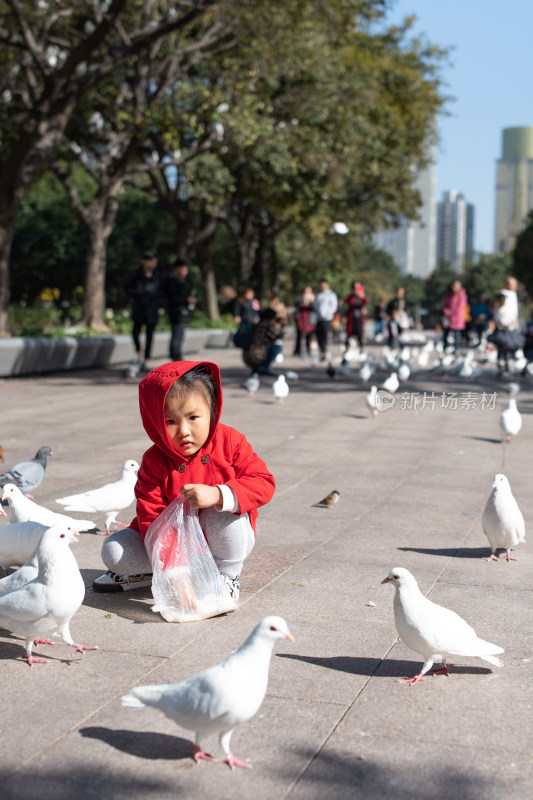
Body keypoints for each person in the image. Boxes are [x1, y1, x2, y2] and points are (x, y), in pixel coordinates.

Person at [93, 361, 275, 602]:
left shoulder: (230, 440)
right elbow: (152, 516)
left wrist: (219, 495)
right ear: (155, 421)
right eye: (171, 421)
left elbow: (263, 482)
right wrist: (174, 574)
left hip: (221, 542)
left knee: (219, 511)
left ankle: (226, 576)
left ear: (212, 410)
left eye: (193, 417)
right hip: (173, 544)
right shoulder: (154, 460)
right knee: (114, 549)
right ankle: (149, 573)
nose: (184, 431)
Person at [126, 250, 164, 370]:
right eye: (150, 260)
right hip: (139, 308)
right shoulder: (136, 274)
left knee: (150, 335)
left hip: (152, 309)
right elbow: (127, 288)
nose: (153, 263)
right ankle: (140, 352)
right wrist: (138, 293)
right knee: (135, 332)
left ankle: (145, 359)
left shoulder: (158, 275)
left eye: (154, 260)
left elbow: (162, 291)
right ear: (144, 261)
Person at [487, 276, 523, 374]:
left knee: (509, 346)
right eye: (512, 284)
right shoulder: (502, 294)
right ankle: (501, 363)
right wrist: (496, 320)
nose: (514, 286)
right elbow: (497, 309)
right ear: (507, 284)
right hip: (502, 325)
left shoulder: (513, 295)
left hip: (511, 325)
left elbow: (514, 310)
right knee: (501, 345)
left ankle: (506, 364)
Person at [165, 258, 197, 362]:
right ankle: (175, 355)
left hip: (181, 312)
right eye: (184, 269)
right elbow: (173, 298)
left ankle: (177, 354)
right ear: (177, 269)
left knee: (180, 334)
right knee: (177, 334)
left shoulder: (181, 281)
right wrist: (187, 299)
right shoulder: (171, 281)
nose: (186, 272)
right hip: (176, 312)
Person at [243, 300, 286, 375]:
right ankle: (263, 368)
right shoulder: (267, 324)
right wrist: (279, 325)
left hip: (248, 355)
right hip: (257, 355)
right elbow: (279, 335)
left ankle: (257, 369)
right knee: (277, 347)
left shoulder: (258, 323)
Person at [314, 279, 338, 360]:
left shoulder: (331, 294)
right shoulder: (318, 294)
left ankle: (324, 350)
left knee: (325, 334)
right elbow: (315, 305)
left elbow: (333, 306)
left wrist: (327, 314)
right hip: (318, 318)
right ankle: (321, 349)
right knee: (318, 334)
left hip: (327, 318)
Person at [442, 279, 468, 353]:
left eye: (457, 286)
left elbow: (460, 306)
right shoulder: (449, 295)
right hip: (448, 318)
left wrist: (451, 313)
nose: (455, 287)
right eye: (454, 286)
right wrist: (446, 312)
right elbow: (445, 305)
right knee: (445, 334)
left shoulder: (462, 295)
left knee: (456, 335)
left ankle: (455, 350)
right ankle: (445, 348)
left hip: (457, 318)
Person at [293, 285, 317, 357]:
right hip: (301, 318)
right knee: (299, 335)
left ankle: (307, 350)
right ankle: (297, 351)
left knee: (308, 335)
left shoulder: (313, 299)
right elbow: (296, 306)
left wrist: (311, 301)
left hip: (309, 319)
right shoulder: (299, 298)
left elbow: (315, 308)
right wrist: (303, 299)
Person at [343, 281, 368, 349]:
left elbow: (366, 301)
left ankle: (361, 348)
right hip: (351, 318)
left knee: (359, 333)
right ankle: (347, 348)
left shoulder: (361, 296)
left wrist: (362, 296)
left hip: (359, 318)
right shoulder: (350, 296)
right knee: (349, 333)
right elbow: (347, 303)